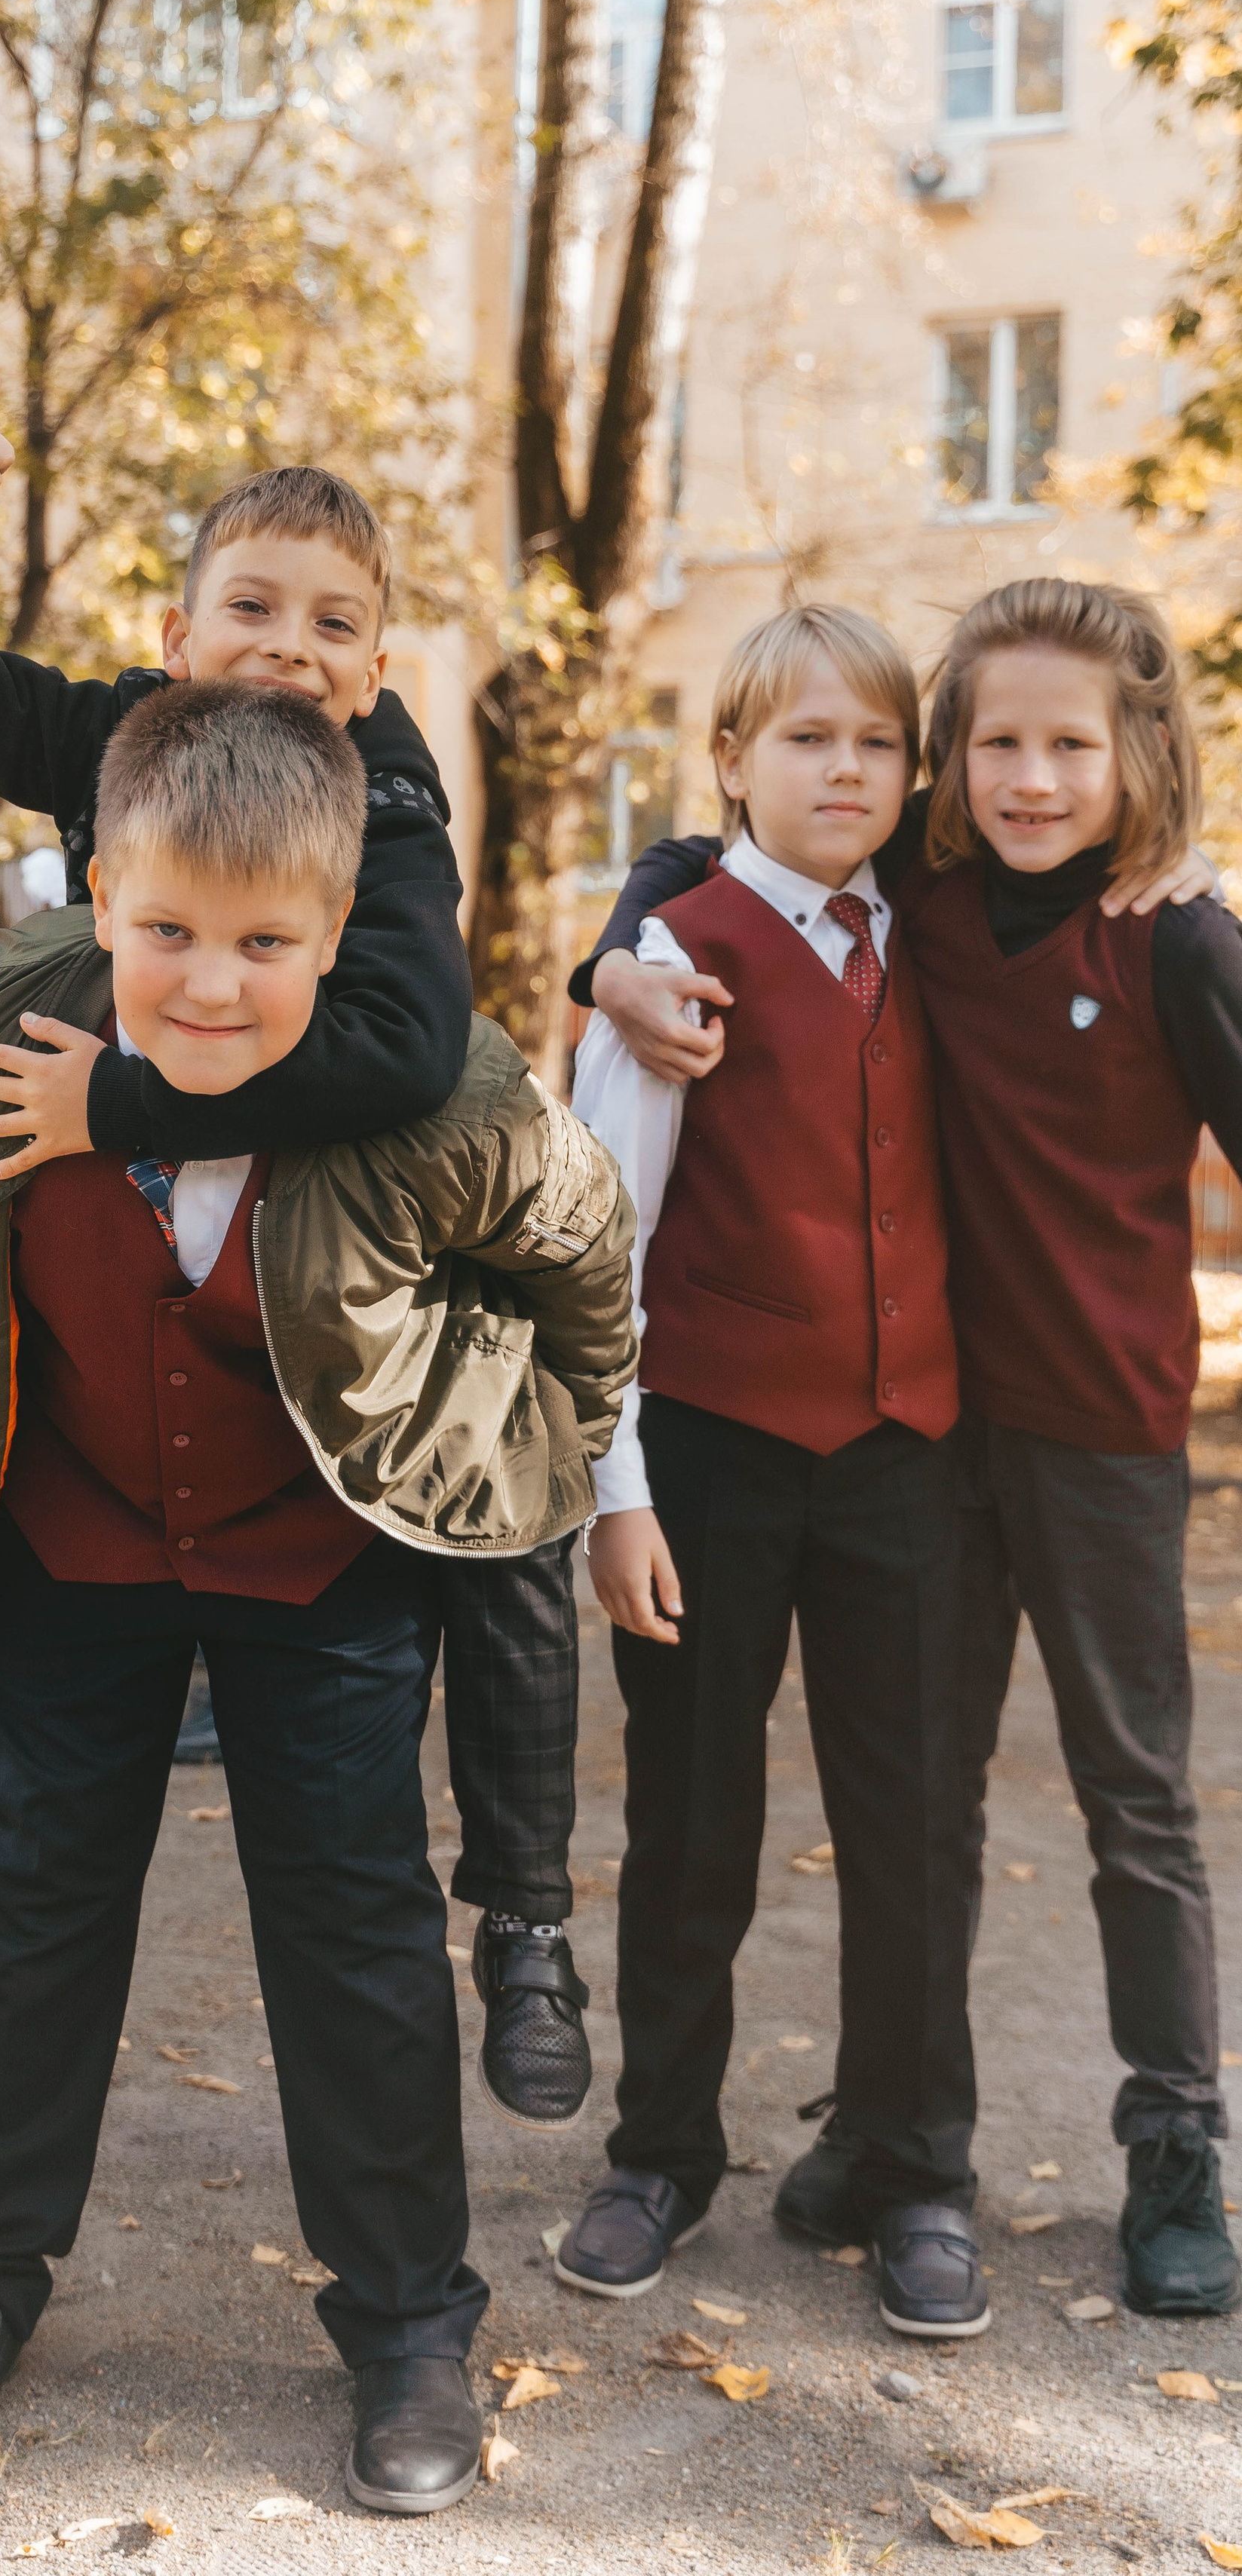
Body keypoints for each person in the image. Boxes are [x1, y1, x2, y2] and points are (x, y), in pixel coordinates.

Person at [0, 680, 636, 2506]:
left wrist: (530, 1449)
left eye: (265, 943)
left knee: (352, 1936)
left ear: (339, 930)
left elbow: (586, 1264)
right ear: (95, 888)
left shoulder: (435, 1093)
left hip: (319, 1555)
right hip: (71, 1543)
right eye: (167, 931)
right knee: (23, 1914)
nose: (208, 983)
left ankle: (410, 2325)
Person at [0, 386, 596, 2133]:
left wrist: (121, 1105)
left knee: (505, 1474)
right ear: (173, 634)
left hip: (346, 1264)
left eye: (330, 624)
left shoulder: (387, 797)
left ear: (372, 672)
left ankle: (521, 1905)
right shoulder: (121, 737)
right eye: (250, 607)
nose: (283, 648)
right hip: (100, 1281)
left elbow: (395, 1049)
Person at [584, 577, 1241, 2320]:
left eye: (1066, 746)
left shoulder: (1173, 932)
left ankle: (1171, 2149)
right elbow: (708, 862)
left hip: (1089, 1434)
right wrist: (618, 936)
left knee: (1132, 1799)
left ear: (1132, 758)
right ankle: (868, 2133)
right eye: (994, 744)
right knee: (912, 1807)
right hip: (903, 1440)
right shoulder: (917, 906)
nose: (1026, 778)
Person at [566, 605, 986, 2342]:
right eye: (804, 740)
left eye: (875, 744)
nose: (843, 770)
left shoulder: (943, 936)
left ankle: (911, 2162)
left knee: (912, 1828)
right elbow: (597, 1245)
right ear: (729, 759)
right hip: (714, 1459)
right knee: (690, 1826)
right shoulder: (673, 952)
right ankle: (658, 2149)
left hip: (908, 1461)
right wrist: (614, 1494)